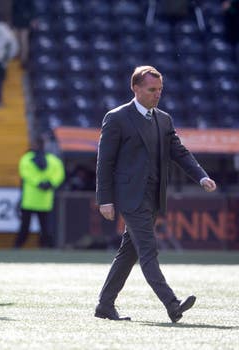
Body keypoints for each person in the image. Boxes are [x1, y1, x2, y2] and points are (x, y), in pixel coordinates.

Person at [95, 66, 217, 322]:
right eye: (152, 89)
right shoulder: (116, 118)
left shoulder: (163, 119)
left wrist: (201, 176)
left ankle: (105, 305)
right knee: (148, 251)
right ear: (135, 88)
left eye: (160, 89)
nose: (157, 94)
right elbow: (104, 162)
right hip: (130, 197)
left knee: (129, 252)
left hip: (153, 197)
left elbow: (179, 153)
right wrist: (104, 199)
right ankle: (172, 304)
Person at [14, 135, 65, 249]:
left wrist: (39, 183)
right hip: (44, 200)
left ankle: (17, 247)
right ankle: (45, 248)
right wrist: (50, 183)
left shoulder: (26, 158)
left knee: (26, 227)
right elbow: (59, 174)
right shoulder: (53, 160)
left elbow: (26, 173)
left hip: (30, 200)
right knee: (44, 228)